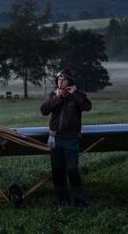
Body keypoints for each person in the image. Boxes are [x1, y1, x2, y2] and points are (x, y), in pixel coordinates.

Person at [40, 69, 92, 206]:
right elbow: (44, 110)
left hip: (71, 138)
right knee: (57, 171)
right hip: (55, 139)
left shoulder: (78, 95)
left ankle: (80, 200)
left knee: (72, 170)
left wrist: (74, 93)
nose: (60, 82)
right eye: (58, 80)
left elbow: (87, 106)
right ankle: (63, 200)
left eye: (63, 79)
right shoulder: (53, 95)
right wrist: (57, 98)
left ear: (69, 81)